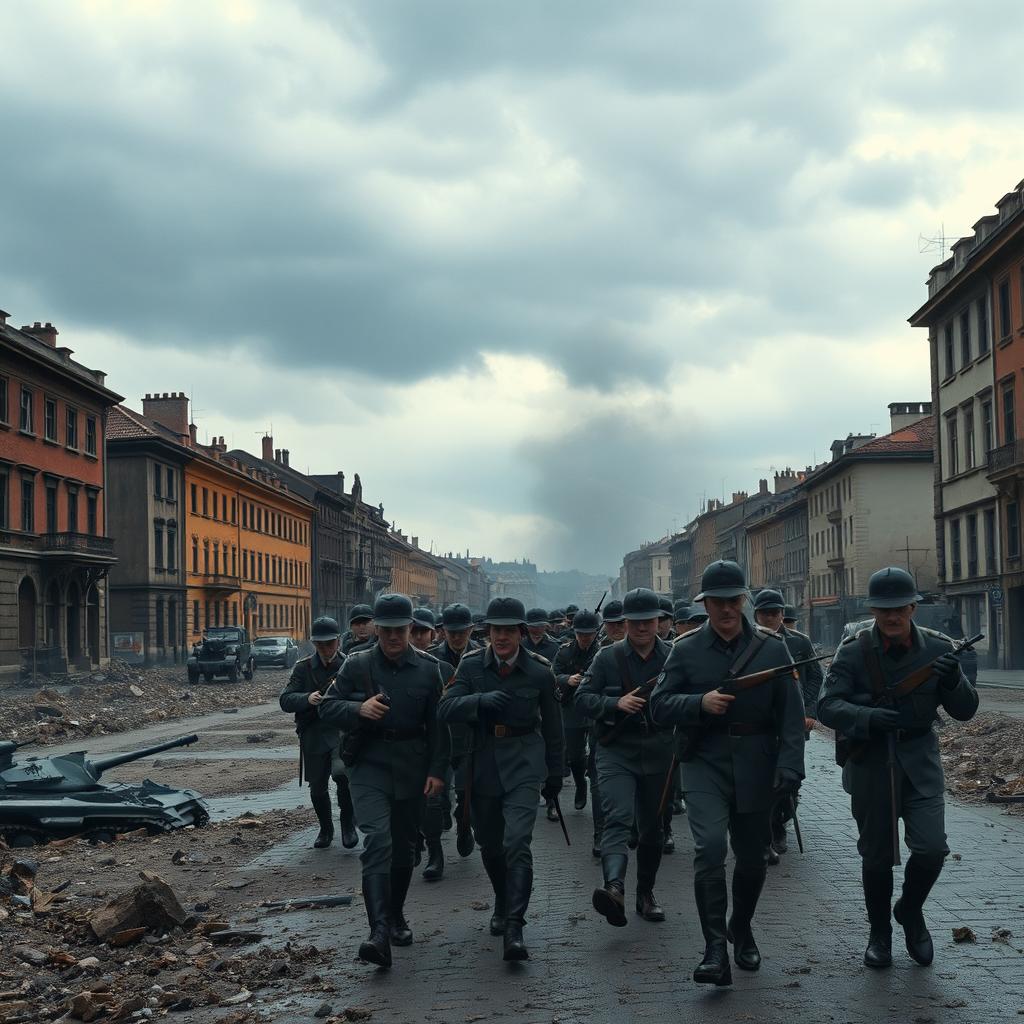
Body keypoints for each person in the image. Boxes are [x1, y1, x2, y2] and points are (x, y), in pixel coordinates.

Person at [649, 561, 805, 987]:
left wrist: (792, 766)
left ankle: (743, 927)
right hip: (705, 760)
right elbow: (659, 706)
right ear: (706, 604)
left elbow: (791, 715)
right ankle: (714, 947)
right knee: (711, 847)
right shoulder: (684, 649)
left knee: (753, 857)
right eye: (717, 602)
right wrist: (699, 704)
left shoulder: (773, 649)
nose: (726, 610)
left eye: (733, 601)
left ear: (743, 600)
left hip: (758, 761)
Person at [818, 567, 979, 971]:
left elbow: (965, 711)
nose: (892, 616)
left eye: (900, 608)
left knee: (931, 848)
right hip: (871, 763)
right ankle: (879, 934)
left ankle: (909, 910)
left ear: (913, 607)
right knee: (876, 855)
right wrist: (869, 717)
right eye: (884, 609)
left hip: (920, 761)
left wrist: (954, 678)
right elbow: (826, 705)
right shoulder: (853, 651)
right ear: (873, 609)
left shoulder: (939, 649)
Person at [318, 594, 448, 969]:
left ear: (411, 628)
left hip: (412, 765)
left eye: (400, 629)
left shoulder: (429, 669)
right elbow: (327, 706)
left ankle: (396, 915)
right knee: (378, 839)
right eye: (386, 629)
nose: (393, 636)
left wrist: (438, 771)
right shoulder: (357, 665)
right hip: (369, 764)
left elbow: (439, 728)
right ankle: (377, 932)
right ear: (376, 628)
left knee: (406, 847)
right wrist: (358, 708)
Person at [438, 597, 564, 961]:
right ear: (488, 632)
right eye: (497, 630)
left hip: (524, 761)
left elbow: (554, 730)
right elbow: (445, 707)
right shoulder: (472, 665)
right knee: (491, 845)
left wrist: (555, 774)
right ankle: (502, 897)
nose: (503, 637)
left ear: (521, 633)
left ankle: (515, 926)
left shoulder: (540, 671)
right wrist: (478, 701)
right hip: (483, 763)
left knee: (517, 842)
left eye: (510, 630)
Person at [575, 588, 675, 928]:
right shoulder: (607, 658)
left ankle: (645, 894)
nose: (643, 627)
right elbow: (581, 698)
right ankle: (614, 887)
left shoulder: (675, 657)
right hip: (616, 750)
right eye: (636, 621)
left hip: (659, 751)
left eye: (649, 621)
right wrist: (614, 705)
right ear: (626, 623)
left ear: (658, 621)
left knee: (651, 829)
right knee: (617, 818)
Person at [752, 588, 822, 859]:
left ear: (782, 614)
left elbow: (815, 677)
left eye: (775, 613)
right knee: (762, 778)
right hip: (760, 725)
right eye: (765, 613)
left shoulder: (799, 642)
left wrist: (807, 709)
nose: (770, 618)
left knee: (790, 779)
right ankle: (767, 830)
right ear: (756, 614)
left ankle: (779, 823)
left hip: (792, 723)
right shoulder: (747, 642)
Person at [278, 616, 358, 849]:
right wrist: (307, 698)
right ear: (314, 644)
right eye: (320, 644)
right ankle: (325, 829)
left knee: (342, 776)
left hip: (341, 732)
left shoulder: (349, 665)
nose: (325, 648)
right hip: (313, 733)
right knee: (317, 786)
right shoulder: (303, 668)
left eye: (329, 643)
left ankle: (347, 825)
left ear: (338, 642)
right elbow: (285, 699)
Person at [430, 603, 481, 861]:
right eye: (452, 632)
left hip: (469, 737)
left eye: (462, 631)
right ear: (443, 631)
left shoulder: (483, 657)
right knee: (436, 796)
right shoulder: (430, 659)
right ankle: (435, 852)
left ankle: (464, 826)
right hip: (439, 736)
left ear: (471, 630)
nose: (457, 637)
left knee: (465, 792)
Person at [552, 609, 602, 820]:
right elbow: (552, 674)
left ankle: (593, 789)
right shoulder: (564, 652)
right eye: (581, 634)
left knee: (596, 756)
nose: (584, 638)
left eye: (589, 634)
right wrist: (567, 679)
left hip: (594, 708)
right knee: (574, 756)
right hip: (571, 708)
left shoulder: (602, 652)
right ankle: (581, 784)